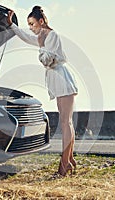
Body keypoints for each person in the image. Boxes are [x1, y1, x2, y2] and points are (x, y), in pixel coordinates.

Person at [7, 6, 78, 176]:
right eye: (29, 25)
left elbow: (47, 60)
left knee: (65, 123)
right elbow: (25, 37)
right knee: (66, 122)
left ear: (41, 21)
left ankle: (64, 164)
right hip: (57, 81)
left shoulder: (51, 35)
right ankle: (70, 158)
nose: (31, 28)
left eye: (33, 24)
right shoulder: (41, 37)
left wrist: (40, 48)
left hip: (62, 80)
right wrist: (12, 26)